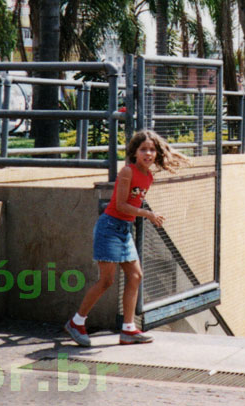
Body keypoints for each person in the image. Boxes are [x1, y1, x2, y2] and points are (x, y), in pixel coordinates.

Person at [65, 130, 187, 346]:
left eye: (152, 150)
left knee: (136, 276)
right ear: (135, 152)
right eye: (143, 150)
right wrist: (148, 214)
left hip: (124, 229)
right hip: (109, 228)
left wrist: (142, 215)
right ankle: (76, 322)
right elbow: (121, 205)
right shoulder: (127, 172)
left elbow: (131, 207)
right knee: (106, 281)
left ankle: (128, 329)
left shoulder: (148, 177)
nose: (148, 154)